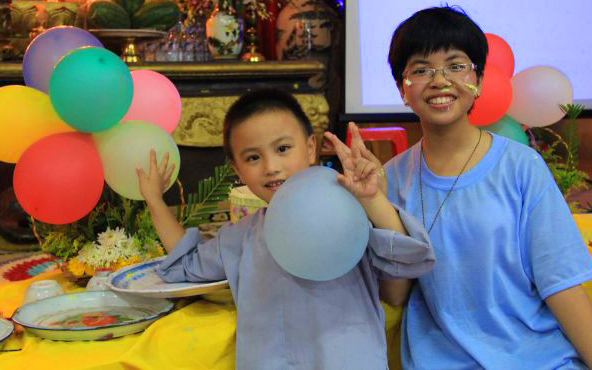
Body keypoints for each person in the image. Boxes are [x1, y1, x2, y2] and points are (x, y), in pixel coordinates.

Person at [136, 88, 435, 370]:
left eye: (282, 148)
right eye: (253, 157)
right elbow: (187, 262)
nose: (271, 166)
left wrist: (372, 200)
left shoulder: (349, 214)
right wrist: (155, 201)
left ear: (310, 148)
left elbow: (402, 269)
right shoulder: (242, 235)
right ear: (237, 170)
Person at [373, 6, 592, 368]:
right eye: (421, 69)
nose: (440, 80)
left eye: (456, 65)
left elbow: (561, 285)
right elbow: (395, 294)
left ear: (477, 80)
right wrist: (371, 200)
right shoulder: (391, 178)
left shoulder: (521, 166)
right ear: (403, 89)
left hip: (542, 360)